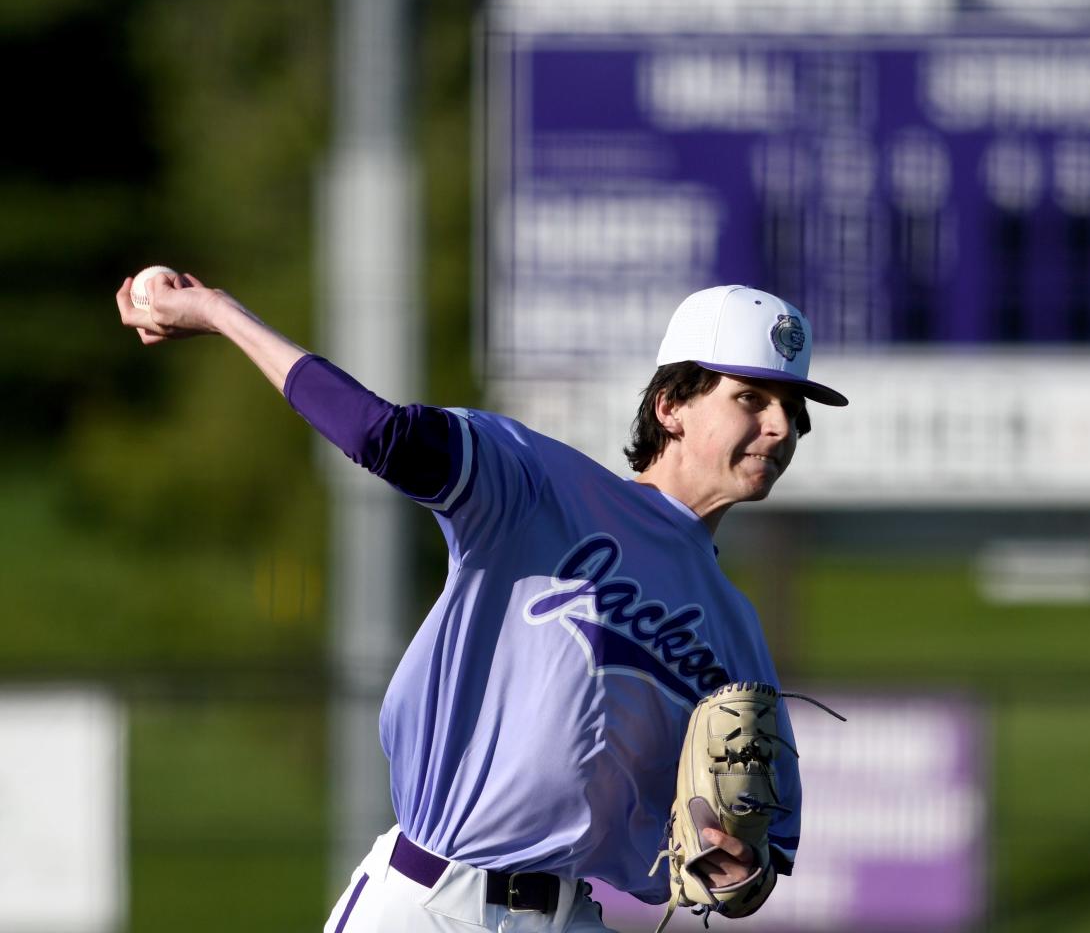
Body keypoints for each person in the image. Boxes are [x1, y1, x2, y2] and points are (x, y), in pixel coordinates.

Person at [117, 276, 847, 933]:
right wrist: (219, 312)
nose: (781, 427)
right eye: (751, 398)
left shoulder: (734, 629)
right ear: (672, 406)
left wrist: (736, 874)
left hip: (568, 917)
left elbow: (767, 856)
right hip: (427, 903)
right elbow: (378, 432)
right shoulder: (539, 487)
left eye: (792, 407)